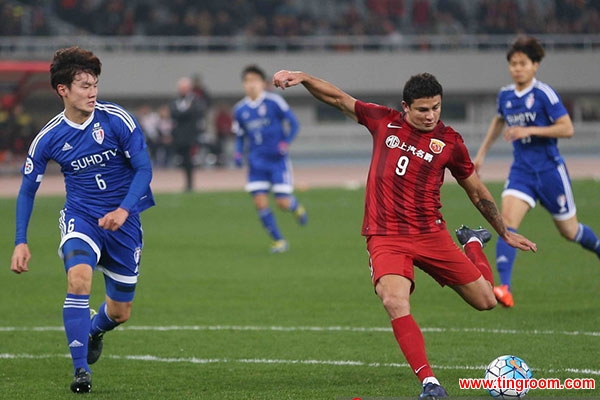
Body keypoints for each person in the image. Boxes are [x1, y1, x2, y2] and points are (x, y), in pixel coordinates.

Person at [272, 69, 536, 398]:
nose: (430, 116)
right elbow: (338, 99)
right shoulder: (383, 122)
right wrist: (303, 77)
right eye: (423, 109)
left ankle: (471, 242)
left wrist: (504, 231)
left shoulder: (450, 142)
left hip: (431, 233)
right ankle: (430, 383)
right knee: (394, 301)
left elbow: (476, 189)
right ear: (405, 107)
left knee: (486, 301)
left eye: (436, 108)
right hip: (386, 235)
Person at [9, 46, 155, 393]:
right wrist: (20, 240)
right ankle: (81, 372)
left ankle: (94, 329)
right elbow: (27, 191)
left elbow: (144, 169)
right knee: (78, 280)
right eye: (85, 85)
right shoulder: (48, 137)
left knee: (120, 312)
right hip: (81, 218)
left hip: (124, 223)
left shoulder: (117, 119)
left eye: (95, 85)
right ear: (63, 90)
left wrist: (124, 209)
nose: (93, 92)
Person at [473, 35, 600, 308]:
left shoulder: (544, 94)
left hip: (550, 171)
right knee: (506, 223)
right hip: (522, 172)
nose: (517, 68)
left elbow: (567, 128)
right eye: (513, 63)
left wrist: (530, 129)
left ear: (535, 65)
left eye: (522, 63)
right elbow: (498, 121)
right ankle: (504, 287)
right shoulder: (506, 95)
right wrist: (481, 155)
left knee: (570, 231)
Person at [233, 65, 308, 253]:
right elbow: (240, 135)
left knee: (282, 203)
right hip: (256, 162)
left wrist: (286, 142)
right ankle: (279, 241)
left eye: (254, 80)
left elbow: (294, 123)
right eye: (247, 81)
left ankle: (294, 205)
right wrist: (237, 153)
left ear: (262, 83)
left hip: (277, 161)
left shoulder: (274, 102)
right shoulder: (240, 109)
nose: (250, 85)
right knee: (259, 202)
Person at [169, 76, 207, 192]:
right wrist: (185, 113)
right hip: (179, 136)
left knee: (189, 159)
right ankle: (187, 182)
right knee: (182, 160)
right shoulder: (176, 101)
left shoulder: (195, 100)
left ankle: (190, 183)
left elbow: (196, 113)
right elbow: (174, 114)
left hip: (191, 136)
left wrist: (183, 113)